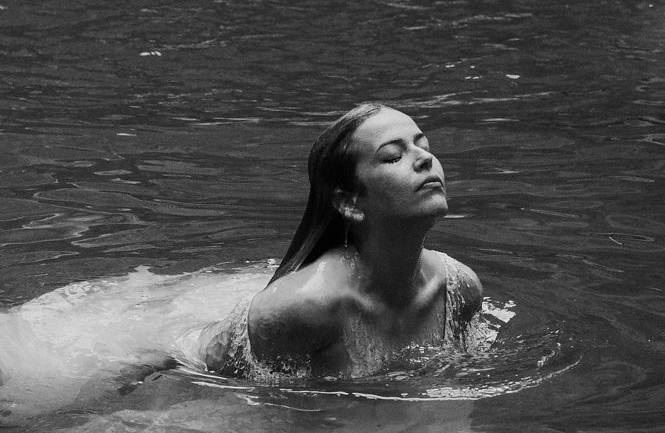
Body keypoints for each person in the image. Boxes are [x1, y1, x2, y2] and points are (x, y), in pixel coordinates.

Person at [200, 102, 483, 379]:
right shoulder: (302, 306)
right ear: (349, 202)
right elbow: (202, 364)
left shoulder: (460, 291)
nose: (425, 159)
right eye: (393, 156)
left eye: (425, 146)